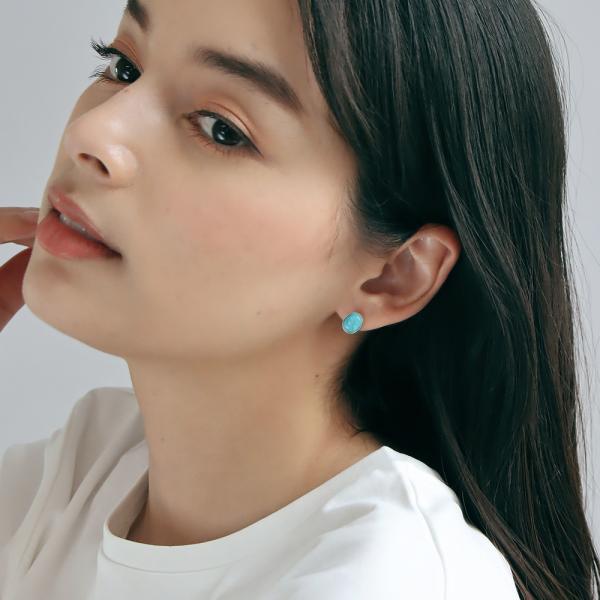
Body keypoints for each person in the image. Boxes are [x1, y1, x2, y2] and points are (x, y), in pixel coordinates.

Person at [0, 0, 597, 598]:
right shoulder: (82, 473)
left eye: (221, 128)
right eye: (123, 67)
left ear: (394, 276)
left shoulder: (389, 579)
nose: (91, 133)